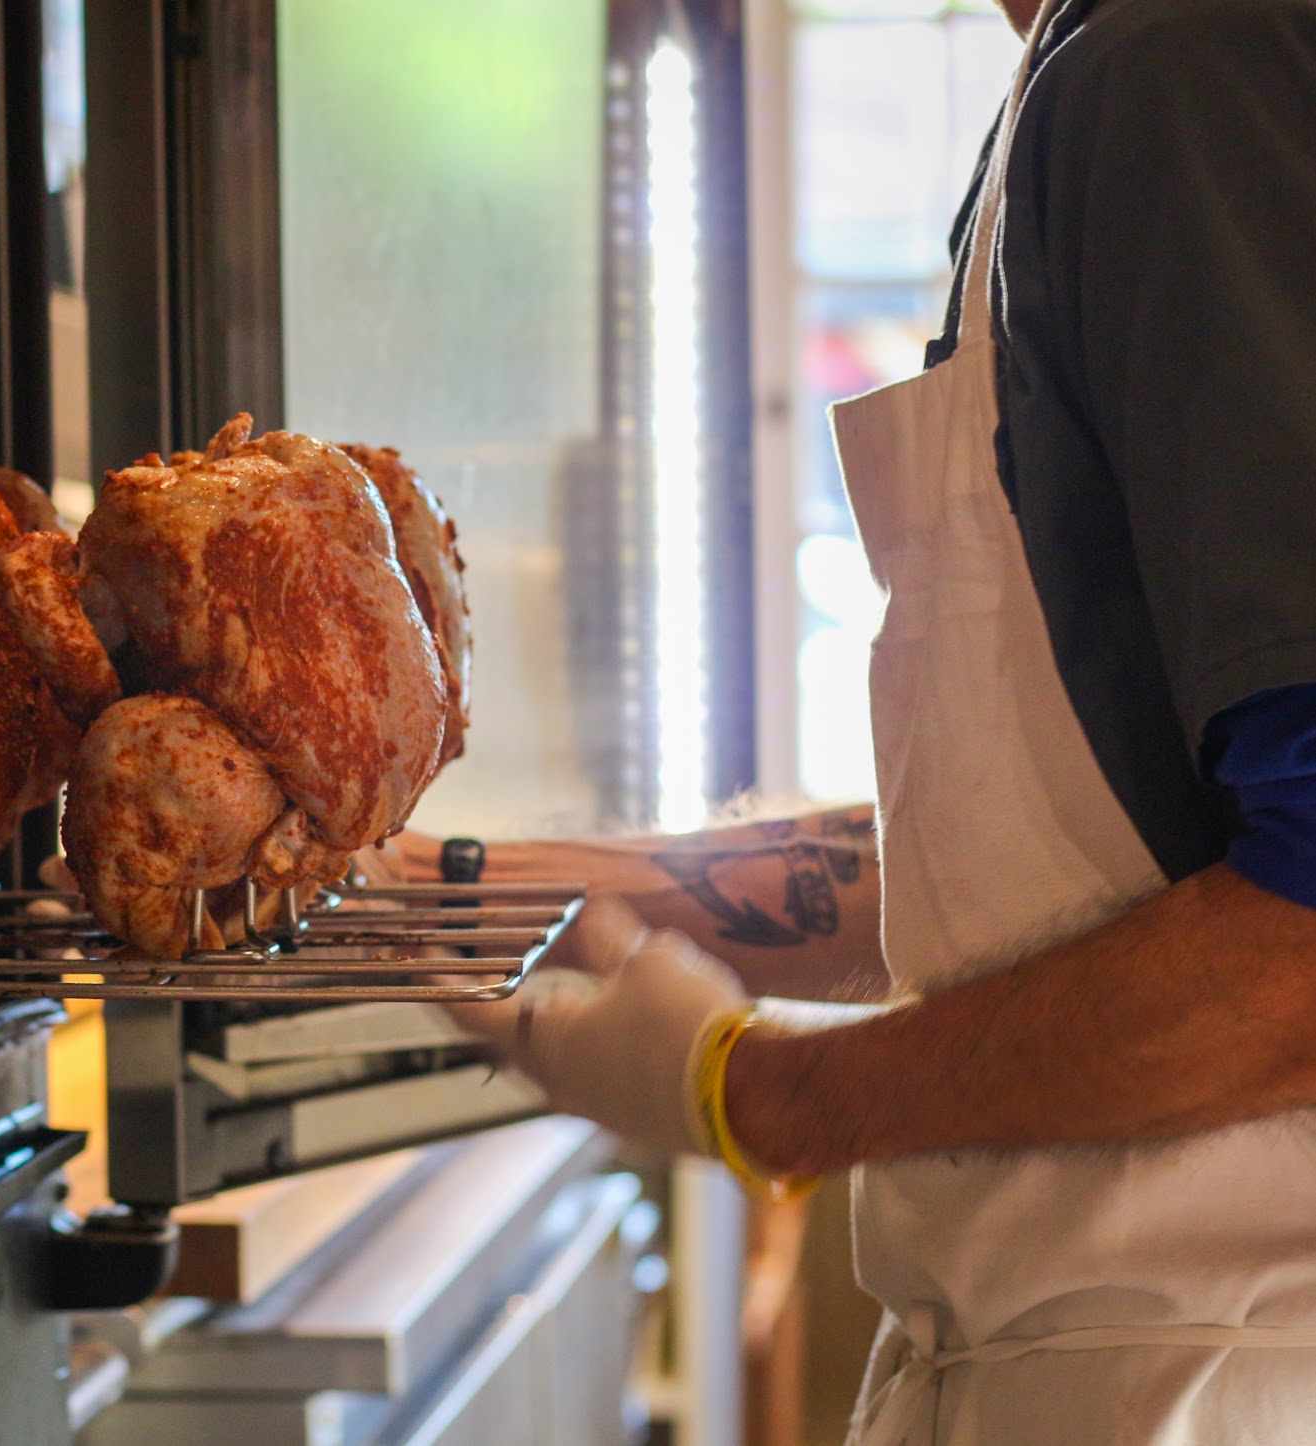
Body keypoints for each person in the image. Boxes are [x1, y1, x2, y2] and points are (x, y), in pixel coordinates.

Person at [436, 0, 1316, 1439]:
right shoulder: (1077, 83)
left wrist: (766, 1093)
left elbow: (1301, 949)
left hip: (1208, 1378)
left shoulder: (1182, 66)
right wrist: (490, 887)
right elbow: (1045, 865)